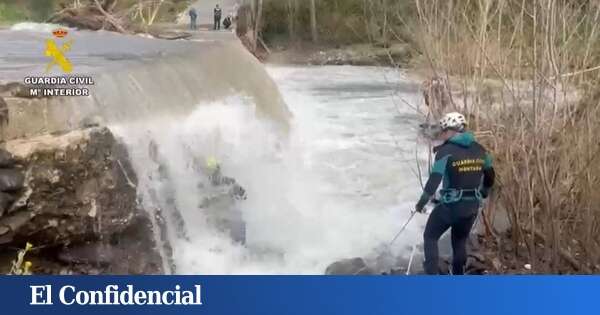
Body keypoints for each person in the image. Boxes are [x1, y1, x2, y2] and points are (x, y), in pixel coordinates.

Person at [414, 112, 495, 275]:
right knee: (459, 242)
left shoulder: (445, 152)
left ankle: (432, 278)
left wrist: (421, 204)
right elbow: (490, 175)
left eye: (443, 131)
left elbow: (434, 181)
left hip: (450, 208)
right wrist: (484, 192)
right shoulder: (480, 150)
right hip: (471, 208)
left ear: (451, 130)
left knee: (430, 236)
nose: (442, 135)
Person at [200, 156, 247, 244]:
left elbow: (243, 195)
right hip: (215, 219)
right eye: (211, 172)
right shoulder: (204, 186)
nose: (213, 174)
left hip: (228, 217)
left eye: (215, 171)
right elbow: (201, 205)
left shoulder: (228, 182)